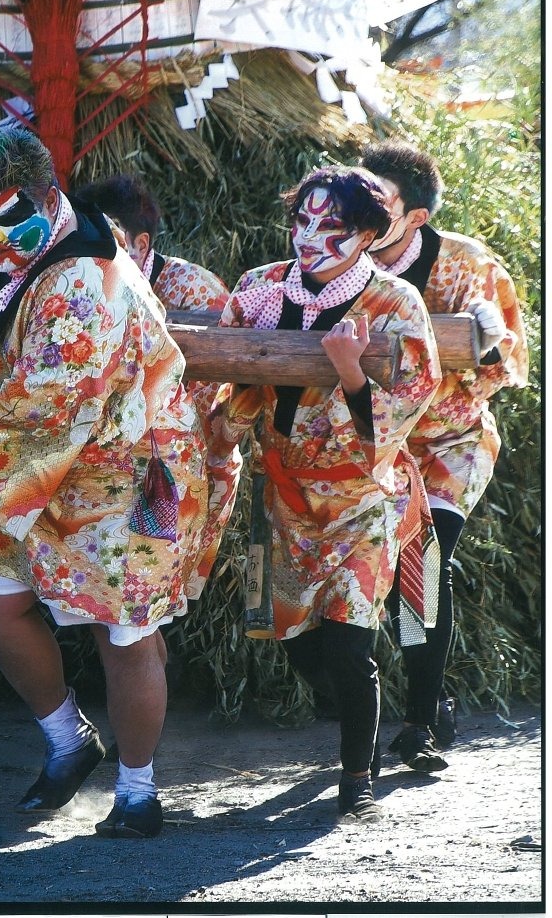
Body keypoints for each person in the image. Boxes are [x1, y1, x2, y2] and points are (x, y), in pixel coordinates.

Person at [0, 127, 206, 839]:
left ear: (49, 197)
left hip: (122, 472)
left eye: (7, 220)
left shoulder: (87, 277)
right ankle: (67, 739)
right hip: (32, 464)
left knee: (125, 635)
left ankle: (139, 790)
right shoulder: (14, 250)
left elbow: (46, 400)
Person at [208, 166, 441, 822]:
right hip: (280, 492)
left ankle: (355, 780)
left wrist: (350, 375)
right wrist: (225, 415)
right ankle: (347, 703)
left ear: (369, 234)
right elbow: (222, 381)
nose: (309, 236)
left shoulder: (396, 303)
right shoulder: (257, 288)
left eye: (330, 227)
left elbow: (408, 404)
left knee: (348, 638)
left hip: (359, 495)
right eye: (300, 221)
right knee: (285, 634)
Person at [360, 141, 529, 770]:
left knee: (422, 560)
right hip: (373, 440)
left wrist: (484, 342)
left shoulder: (466, 263)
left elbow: (506, 362)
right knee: (375, 579)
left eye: (379, 199)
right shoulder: (334, 251)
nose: (361, 209)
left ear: (415, 218)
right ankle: (418, 699)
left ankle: (420, 721)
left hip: (449, 441)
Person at [72, 173, 240, 601]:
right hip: (110, 464)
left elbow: (214, 408)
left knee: (147, 609)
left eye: (104, 234)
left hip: (181, 464)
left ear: (140, 244)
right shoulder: (81, 282)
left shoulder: (197, 294)